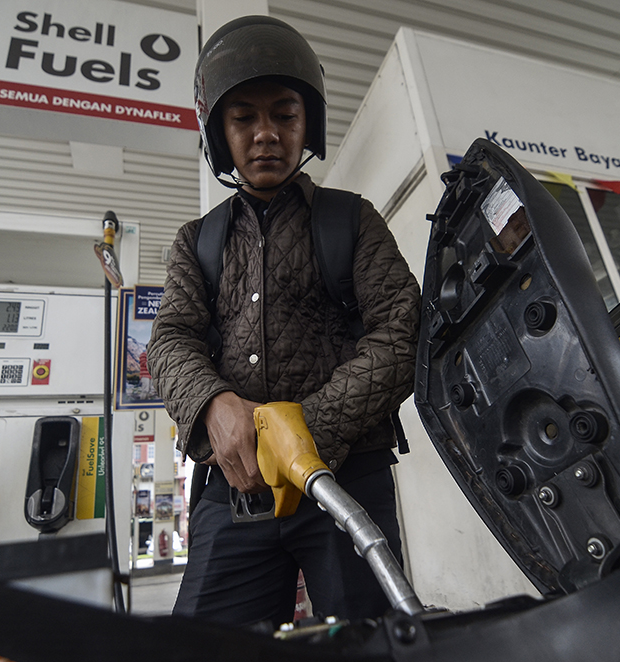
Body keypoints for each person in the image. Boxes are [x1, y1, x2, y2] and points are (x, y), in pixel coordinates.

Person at [147, 15, 420, 627]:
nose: (266, 133)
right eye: (244, 117)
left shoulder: (352, 220)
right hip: (232, 489)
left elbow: (403, 329)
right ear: (219, 131)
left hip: (347, 476)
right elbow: (168, 342)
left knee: (372, 640)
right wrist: (213, 402)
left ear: (308, 124)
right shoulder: (198, 241)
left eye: (285, 115)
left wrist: (312, 427)